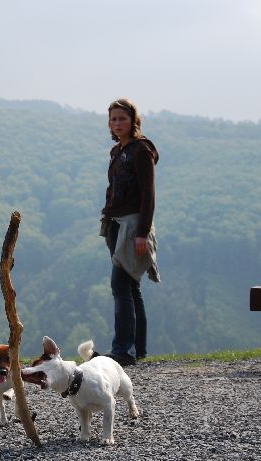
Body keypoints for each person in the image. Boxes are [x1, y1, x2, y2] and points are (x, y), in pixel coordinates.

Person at [95, 98, 159, 367]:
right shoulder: (118, 151)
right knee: (131, 287)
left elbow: (148, 195)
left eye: (122, 118)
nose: (117, 123)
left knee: (120, 286)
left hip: (132, 226)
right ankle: (137, 349)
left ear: (133, 120)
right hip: (115, 224)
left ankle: (122, 350)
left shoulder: (141, 151)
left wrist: (142, 232)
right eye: (113, 119)